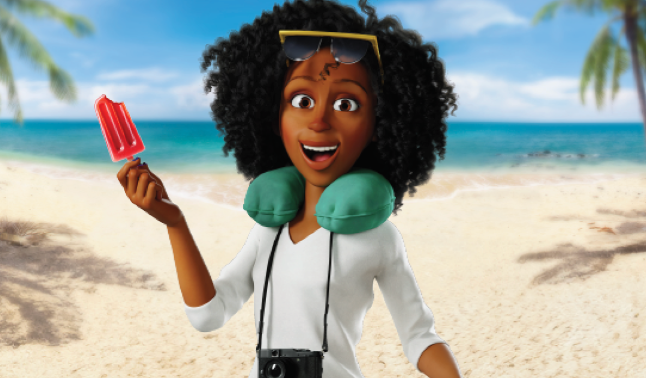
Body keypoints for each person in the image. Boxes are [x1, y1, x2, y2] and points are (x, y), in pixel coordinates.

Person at [116, 0, 461, 377]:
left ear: (378, 125)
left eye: (347, 103)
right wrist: (175, 222)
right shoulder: (268, 230)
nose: (318, 121)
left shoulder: (378, 238)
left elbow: (418, 337)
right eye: (301, 100)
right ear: (275, 118)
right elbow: (208, 315)